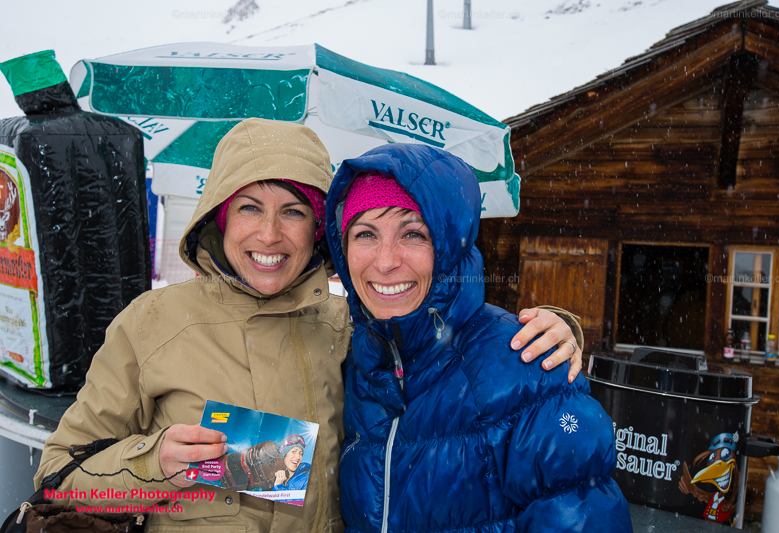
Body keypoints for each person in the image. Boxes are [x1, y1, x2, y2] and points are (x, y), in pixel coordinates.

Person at [34, 118, 584, 532]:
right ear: (219, 219)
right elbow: (57, 478)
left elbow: (443, 356)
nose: (270, 235)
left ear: (319, 231)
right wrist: (153, 465)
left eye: (293, 211)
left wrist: (556, 331)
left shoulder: (350, 325)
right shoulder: (153, 323)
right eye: (249, 208)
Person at [326, 144, 632, 532]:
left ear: (449, 247)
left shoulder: (527, 363)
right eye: (366, 234)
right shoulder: (349, 359)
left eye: (413, 234)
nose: (385, 261)